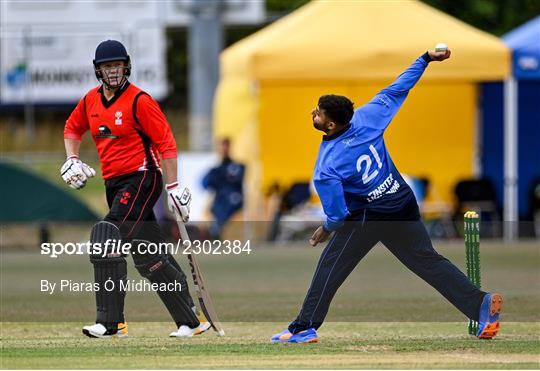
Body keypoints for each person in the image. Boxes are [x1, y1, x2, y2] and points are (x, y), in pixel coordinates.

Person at [271, 48, 503, 343]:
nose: (313, 113)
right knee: (427, 261)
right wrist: (425, 59)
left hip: (369, 216)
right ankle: (481, 305)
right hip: (402, 202)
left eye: (318, 113)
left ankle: (304, 328)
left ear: (330, 125)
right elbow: (400, 86)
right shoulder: (369, 115)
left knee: (330, 266)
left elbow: (338, 215)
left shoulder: (326, 167)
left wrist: (324, 230)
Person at [62, 39, 209, 338]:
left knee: (107, 235)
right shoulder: (90, 100)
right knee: (148, 254)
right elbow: (72, 128)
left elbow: (166, 142)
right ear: (98, 71)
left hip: (142, 177)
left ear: (126, 66)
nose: (113, 71)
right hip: (113, 183)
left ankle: (111, 323)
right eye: (107, 66)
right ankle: (190, 320)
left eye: (117, 65)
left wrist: (174, 187)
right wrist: (72, 158)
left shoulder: (140, 100)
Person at [202, 138, 245, 239]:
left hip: (233, 202)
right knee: (211, 211)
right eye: (222, 146)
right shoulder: (216, 169)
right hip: (220, 202)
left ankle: (217, 230)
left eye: (226, 146)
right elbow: (206, 184)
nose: (224, 149)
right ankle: (215, 232)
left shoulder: (236, 167)